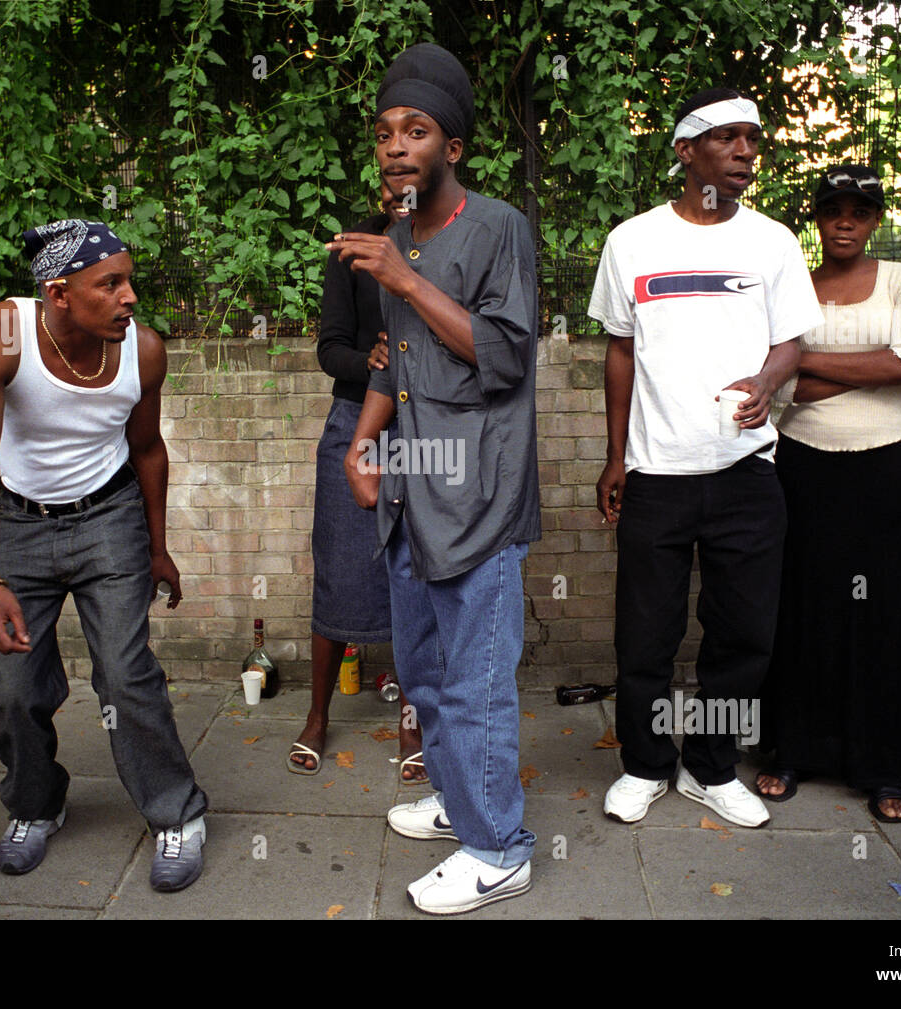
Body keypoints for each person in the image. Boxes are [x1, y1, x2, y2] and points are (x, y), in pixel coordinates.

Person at [329, 42, 541, 914]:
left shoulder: (497, 229)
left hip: (479, 496)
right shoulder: (394, 240)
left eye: (415, 131)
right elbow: (391, 361)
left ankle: (500, 849)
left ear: (452, 148)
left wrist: (406, 280)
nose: (394, 147)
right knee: (421, 669)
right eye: (383, 133)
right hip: (412, 490)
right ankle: (462, 804)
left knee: (476, 679)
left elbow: (501, 355)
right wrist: (363, 442)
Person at [0, 220, 209, 891]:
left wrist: (159, 548)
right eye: (110, 283)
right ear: (59, 294)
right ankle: (37, 804)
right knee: (11, 689)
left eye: (130, 280)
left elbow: (148, 449)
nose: (129, 297)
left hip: (109, 518)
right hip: (19, 522)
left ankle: (177, 813)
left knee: (124, 674)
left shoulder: (142, 351)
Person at [588, 87, 823, 830]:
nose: (747, 151)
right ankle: (645, 762)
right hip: (656, 474)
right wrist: (614, 454)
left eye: (753, 139)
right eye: (728, 138)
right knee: (645, 636)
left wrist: (766, 380)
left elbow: (793, 338)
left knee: (742, 633)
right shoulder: (634, 241)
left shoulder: (773, 243)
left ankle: (711, 766)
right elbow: (620, 350)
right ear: (687, 151)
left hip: (747, 472)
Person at [755, 165, 901, 823]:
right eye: (834, 209)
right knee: (803, 608)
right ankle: (790, 750)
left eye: (860, 211)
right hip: (804, 464)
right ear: (817, 217)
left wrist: (808, 360)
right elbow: (785, 392)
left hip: (882, 468)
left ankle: (883, 767)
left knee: (883, 615)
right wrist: (885, 367)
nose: (846, 221)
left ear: (874, 221)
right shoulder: (796, 289)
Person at [290, 182, 426, 783]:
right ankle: (318, 714)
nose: (405, 192)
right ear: (377, 186)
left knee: (422, 569)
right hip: (356, 421)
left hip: (429, 425)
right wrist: (366, 361)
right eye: (393, 184)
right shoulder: (350, 252)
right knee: (342, 563)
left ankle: (414, 717)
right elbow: (330, 348)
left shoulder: (454, 244)